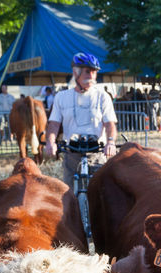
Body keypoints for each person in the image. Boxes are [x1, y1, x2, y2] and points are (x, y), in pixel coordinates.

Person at [44, 52, 118, 189]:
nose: (92, 76)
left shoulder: (102, 96)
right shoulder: (61, 97)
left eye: (94, 72)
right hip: (71, 154)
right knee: (69, 196)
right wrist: (50, 142)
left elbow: (109, 124)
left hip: (96, 154)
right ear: (75, 72)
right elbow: (54, 124)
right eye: (87, 71)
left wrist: (111, 142)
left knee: (100, 195)